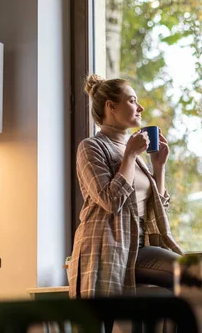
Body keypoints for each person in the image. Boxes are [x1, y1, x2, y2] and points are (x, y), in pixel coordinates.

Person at [68, 74, 182, 299]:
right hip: (105, 249)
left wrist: (158, 167)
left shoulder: (134, 152)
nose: (140, 107)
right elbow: (111, 201)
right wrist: (130, 155)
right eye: (132, 100)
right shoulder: (91, 147)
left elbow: (152, 209)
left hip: (137, 248)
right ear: (111, 107)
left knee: (192, 278)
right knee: (189, 274)